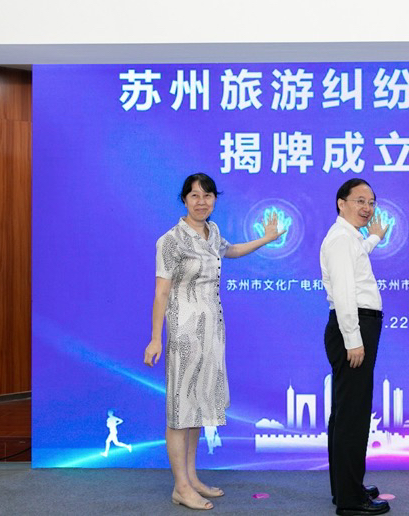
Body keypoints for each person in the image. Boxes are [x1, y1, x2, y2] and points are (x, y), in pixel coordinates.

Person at [144, 173, 284, 511]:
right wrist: (155, 338)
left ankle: (191, 478)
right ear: (184, 199)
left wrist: (265, 239)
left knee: (197, 408)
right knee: (180, 409)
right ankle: (180, 486)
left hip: (212, 332)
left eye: (207, 195)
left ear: (215, 200)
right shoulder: (171, 240)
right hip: (184, 333)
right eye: (194, 195)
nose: (201, 201)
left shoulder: (213, 232)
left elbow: (230, 250)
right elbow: (161, 292)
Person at [321, 178, 391, 516]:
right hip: (354, 327)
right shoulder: (340, 239)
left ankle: (346, 487)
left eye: (371, 202)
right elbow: (345, 292)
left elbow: (356, 260)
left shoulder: (349, 238)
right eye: (360, 200)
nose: (367, 208)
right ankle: (350, 500)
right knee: (353, 416)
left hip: (356, 326)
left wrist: (374, 238)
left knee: (347, 413)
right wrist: (353, 339)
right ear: (341, 202)